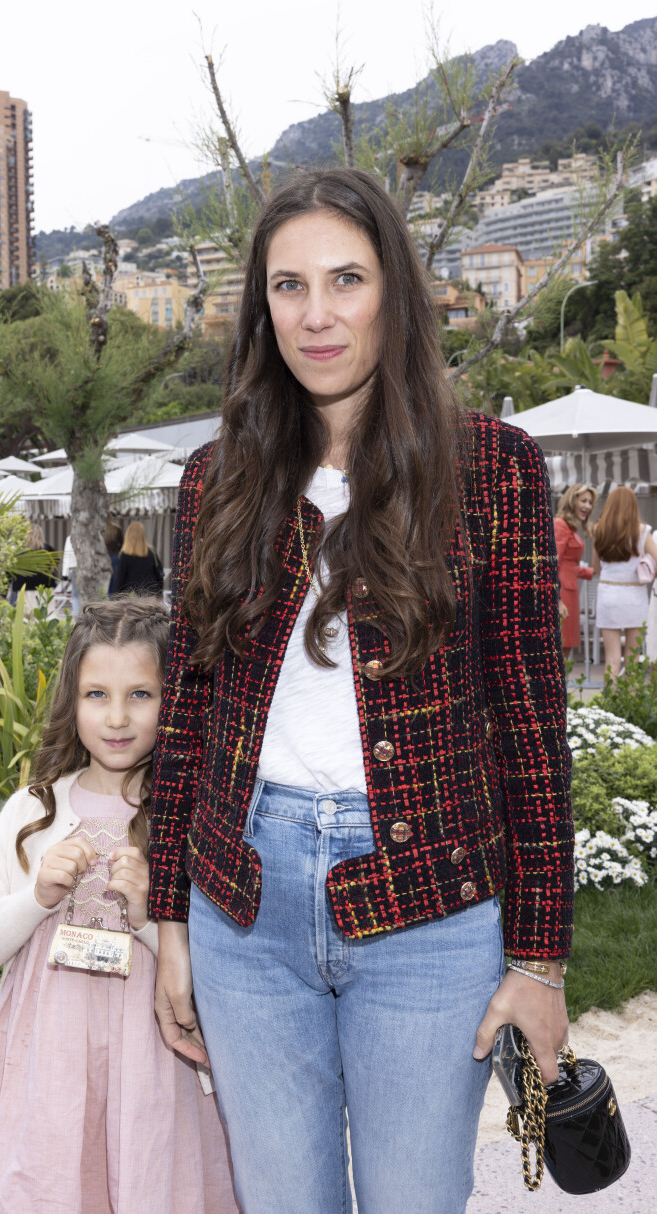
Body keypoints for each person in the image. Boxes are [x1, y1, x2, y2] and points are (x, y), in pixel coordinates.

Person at [148, 168, 574, 1214]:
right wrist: (171, 921)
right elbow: (188, 712)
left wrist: (542, 960)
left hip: (431, 908)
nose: (318, 313)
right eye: (288, 286)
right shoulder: (217, 478)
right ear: (262, 309)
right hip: (243, 906)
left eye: (347, 278)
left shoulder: (493, 469)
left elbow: (529, 719)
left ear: (396, 290)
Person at [0, 598, 238, 1214]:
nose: (117, 717)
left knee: (151, 1183)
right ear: (70, 702)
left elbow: (233, 981)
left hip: (156, 1073)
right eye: (97, 694)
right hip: (46, 1078)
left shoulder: (194, 818)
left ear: (175, 701)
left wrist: (153, 921)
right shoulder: (35, 811)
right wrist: (37, 899)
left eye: (141, 694)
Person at [592, 485, 657, 676]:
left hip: (608, 593)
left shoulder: (598, 530)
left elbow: (596, 568)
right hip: (634, 595)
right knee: (632, 657)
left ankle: (607, 704)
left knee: (611, 658)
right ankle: (629, 704)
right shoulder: (642, 531)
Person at [554, 483, 597, 658]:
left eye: (590, 502)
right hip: (563, 592)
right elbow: (553, 564)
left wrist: (591, 572)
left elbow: (569, 564)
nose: (587, 506)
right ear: (572, 500)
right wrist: (557, 599)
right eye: (584, 500)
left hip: (570, 591)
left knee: (566, 648)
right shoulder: (561, 525)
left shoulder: (569, 527)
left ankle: (562, 685)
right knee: (561, 648)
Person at [6, 522, 57, 611]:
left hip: (23, 588)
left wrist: (5, 590)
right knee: (46, 616)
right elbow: (54, 565)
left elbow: (10, 571)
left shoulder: (19, 551)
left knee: (26, 617)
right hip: (44, 588)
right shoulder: (48, 550)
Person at [108, 521, 164, 596]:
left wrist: (116, 597)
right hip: (151, 594)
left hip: (133, 595)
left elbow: (120, 579)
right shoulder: (152, 552)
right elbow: (159, 575)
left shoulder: (125, 555)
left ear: (128, 535)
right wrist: (160, 592)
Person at [62, 532, 80, 617]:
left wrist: (64, 574)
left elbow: (67, 556)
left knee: (75, 594)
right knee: (76, 594)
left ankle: (77, 616)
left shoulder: (70, 538)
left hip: (74, 567)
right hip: (77, 567)